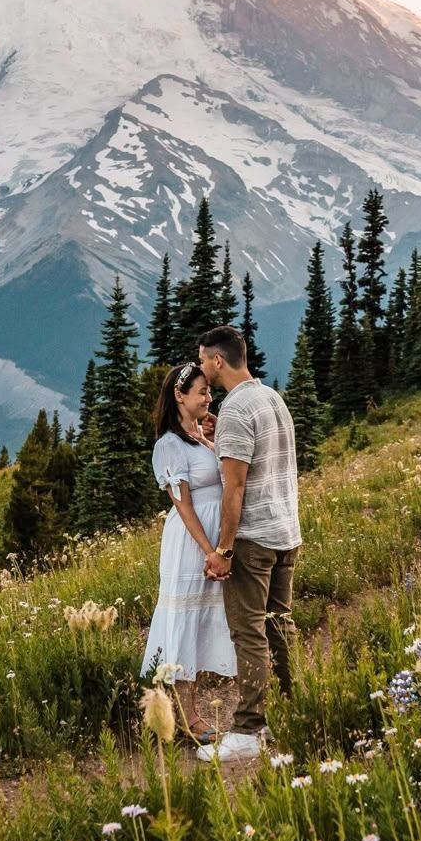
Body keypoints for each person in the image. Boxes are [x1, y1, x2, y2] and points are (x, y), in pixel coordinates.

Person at [196, 325, 301, 762]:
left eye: (203, 360)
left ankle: (249, 729)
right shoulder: (268, 397)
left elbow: (233, 488)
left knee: (249, 632)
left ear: (218, 361)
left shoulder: (237, 409)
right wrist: (221, 436)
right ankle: (297, 708)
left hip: (254, 538)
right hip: (286, 531)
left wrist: (223, 551)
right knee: (280, 623)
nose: (201, 368)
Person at [140, 363, 236, 742]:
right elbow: (183, 505)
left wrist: (210, 435)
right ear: (179, 396)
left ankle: (187, 710)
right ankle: (187, 717)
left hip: (213, 538)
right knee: (184, 622)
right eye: (201, 393)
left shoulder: (198, 437)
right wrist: (209, 549)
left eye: (209, 392)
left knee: (202, 622)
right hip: (192, 541)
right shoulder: (169, 445)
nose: (209, 398)